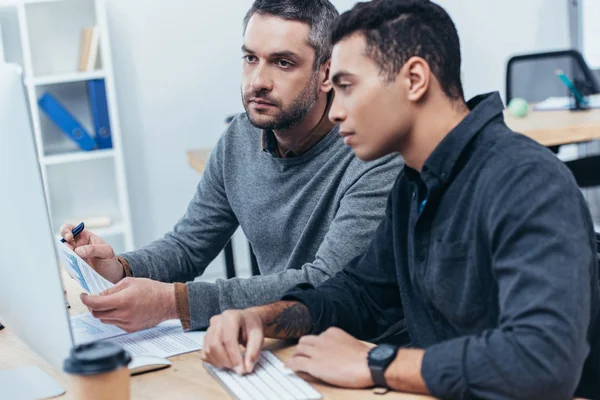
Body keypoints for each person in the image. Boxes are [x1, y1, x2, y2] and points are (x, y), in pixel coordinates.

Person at [202, 1, 600, 398]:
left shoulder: (526, 181)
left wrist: (374, 363)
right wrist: (261, 317)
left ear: (413, 79)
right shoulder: (415, 185)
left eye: (346, 86)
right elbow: (362, 294)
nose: (335, 111)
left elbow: (542, 361)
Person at [61, 0, 402, 334]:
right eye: (250, 58)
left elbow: (327, 282)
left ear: (326, 73)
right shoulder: (240, 138)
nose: (258, 81)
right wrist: (120, 269)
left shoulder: (373, 150)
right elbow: (188, 246)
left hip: (364, 347)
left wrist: (174, 302)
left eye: (283, 63)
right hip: (277, 338)